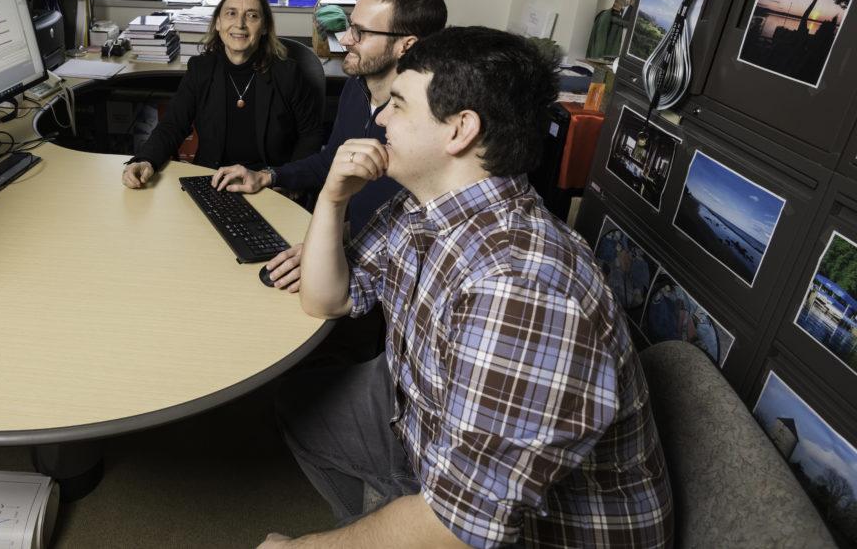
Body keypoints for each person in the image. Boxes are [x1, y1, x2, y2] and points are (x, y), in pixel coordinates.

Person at [266, 27, 672, 548]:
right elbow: (329, 298)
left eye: (397, 104)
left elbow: (459, 528)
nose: (379, 118)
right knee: (299, 403)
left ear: (459, 130)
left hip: (536, 536)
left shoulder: (519, 289)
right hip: (426, 429)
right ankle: (392, 512)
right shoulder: (422, 205)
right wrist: (332, 198)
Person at [209, 0, 447, 292]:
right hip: (351, 246)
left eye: (360, 32)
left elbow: (413, 223)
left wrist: (334, 250)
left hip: (387, 276)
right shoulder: (357, 86)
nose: (345, 38)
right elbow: (331, 159)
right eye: (350, 26)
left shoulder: (426, 123)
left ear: (408, 45)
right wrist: (267, 176)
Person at [121, 0, 322, 187]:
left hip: (266, 185)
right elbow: (173, 125)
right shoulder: (201, 70)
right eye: (231, 13)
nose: (240, 24)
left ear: (264, 27)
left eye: (252, 15)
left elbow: (311, 135)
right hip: (211, 182)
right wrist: (146, 159)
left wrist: (285, 180)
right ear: (218, 23)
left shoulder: (287, 74)